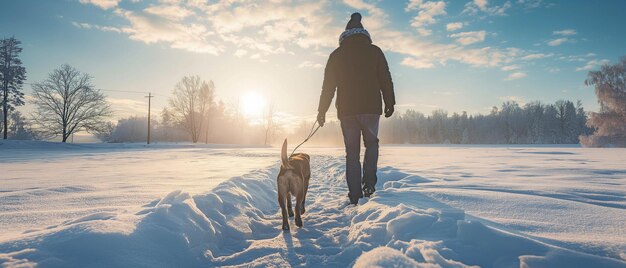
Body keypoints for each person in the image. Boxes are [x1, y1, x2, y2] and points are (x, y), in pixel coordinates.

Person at [317, 12, 395, 205]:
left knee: (352, 152)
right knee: (372, 145)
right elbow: (385, 77)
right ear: (363, 32)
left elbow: (328, 86)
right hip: (370, 108)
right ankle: (369, 184)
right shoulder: (375, 51)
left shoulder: (336, 55)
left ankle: (354, 194)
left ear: (345, 34)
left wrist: (322, 110)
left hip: (347, 110)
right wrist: (390, 101)